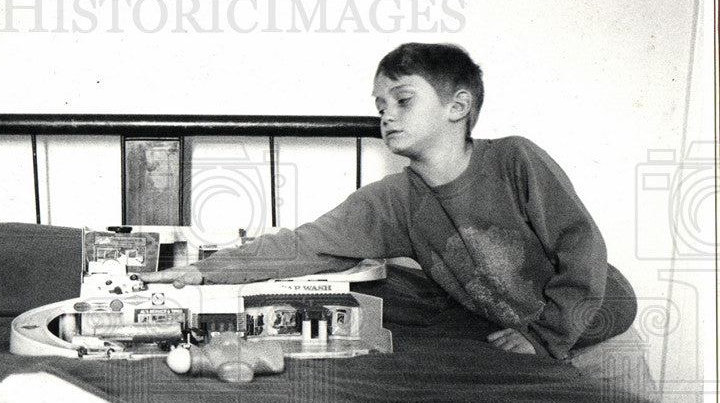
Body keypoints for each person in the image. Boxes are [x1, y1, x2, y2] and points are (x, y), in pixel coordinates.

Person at [142, 42, 636, 359]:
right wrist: (205, 270)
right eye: (380, 107)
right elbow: (304, 245)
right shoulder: (396, 201)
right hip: (508, 319)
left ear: (457, 107)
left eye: (403, 101)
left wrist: (547, 337)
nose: (387, 117)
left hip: (595, 311)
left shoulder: (514, 160)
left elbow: (582, 246)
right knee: (375, 288)